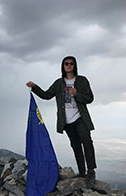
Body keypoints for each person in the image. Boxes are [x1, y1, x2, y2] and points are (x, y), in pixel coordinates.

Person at [26, 56, 97, 188]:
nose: (69, 65)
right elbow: (46, 95)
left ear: (75, 66)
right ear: (63, 66)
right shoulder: (59, 83)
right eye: (66, 63)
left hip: (80, 118)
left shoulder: (82, 80)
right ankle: (82, 173)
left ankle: (91, 171)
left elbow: (90, 98)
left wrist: (77, 94)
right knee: (76, 145)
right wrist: (35, 87)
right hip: (67, 121)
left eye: (71, 63)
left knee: (87, 142)